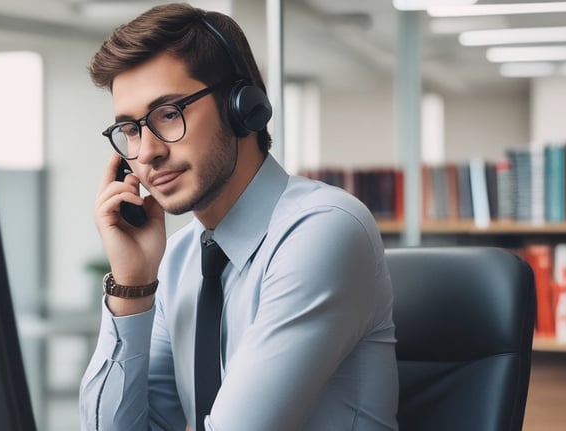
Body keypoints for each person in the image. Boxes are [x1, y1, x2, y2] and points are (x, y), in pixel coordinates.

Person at [79, 3, 398, 430]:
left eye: (169, 114)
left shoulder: (324, 230)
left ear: (241, 106)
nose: (148, 152)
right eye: (132, 130)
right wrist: (133, 286)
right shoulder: (177, 260)